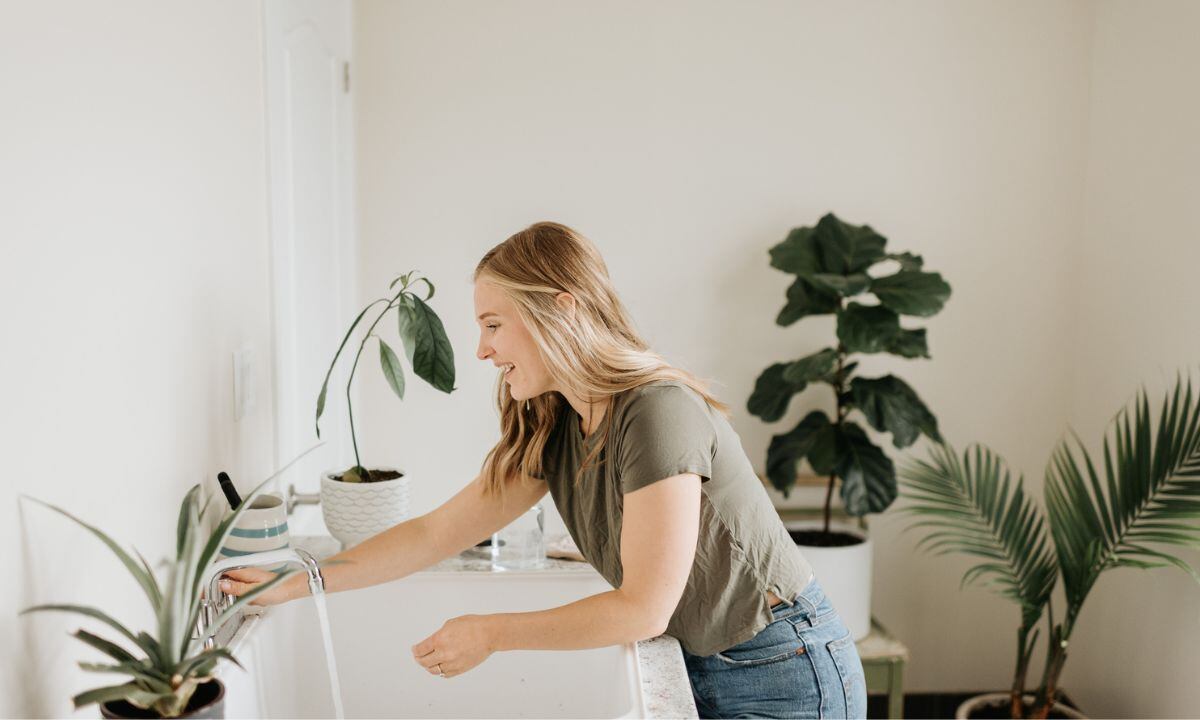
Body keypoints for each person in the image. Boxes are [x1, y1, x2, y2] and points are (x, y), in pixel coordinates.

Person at [219, 221, 867, 719]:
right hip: (709, 659)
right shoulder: (556, 428)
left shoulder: (657, 412)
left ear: (562, 309)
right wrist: (298, 582)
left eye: (494, 324)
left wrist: (492, 633)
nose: (481, 349)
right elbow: (431, 535)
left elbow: (644, 607)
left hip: (784, 667)